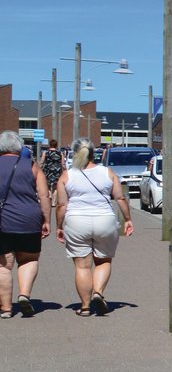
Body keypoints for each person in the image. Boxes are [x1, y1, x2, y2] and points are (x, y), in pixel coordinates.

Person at [55, 137, 134, 316]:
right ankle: (98, 292)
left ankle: (85, 306)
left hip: (76, 221)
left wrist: (59, 226)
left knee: (82, 266)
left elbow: (61, 205)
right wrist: (128, 219)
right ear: (93, 153)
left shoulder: (67, 175)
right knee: (103, 260)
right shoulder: (107, 172)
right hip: (104, 220)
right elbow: (120, 198)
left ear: (75, 153)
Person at [0, 130, 50, 318]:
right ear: (19, 147)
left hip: (2, 221)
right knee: (29, 259)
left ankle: (6, 309)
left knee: (3, 266)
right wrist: (46, 220)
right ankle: (24, 295)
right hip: (29, 219)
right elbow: (44, 195)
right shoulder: (31, 165)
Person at [41, 139, 65, 204]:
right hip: (57, 171)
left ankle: (50, 196)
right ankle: (53, 202)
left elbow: (42, 162)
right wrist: (64, 170)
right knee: (55, 187)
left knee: (47, 185)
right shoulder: (60, 153)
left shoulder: (45, 152)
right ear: (56, 145)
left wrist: (40, 169)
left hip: (47, 171)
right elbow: (63, 164)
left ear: (50, 145)